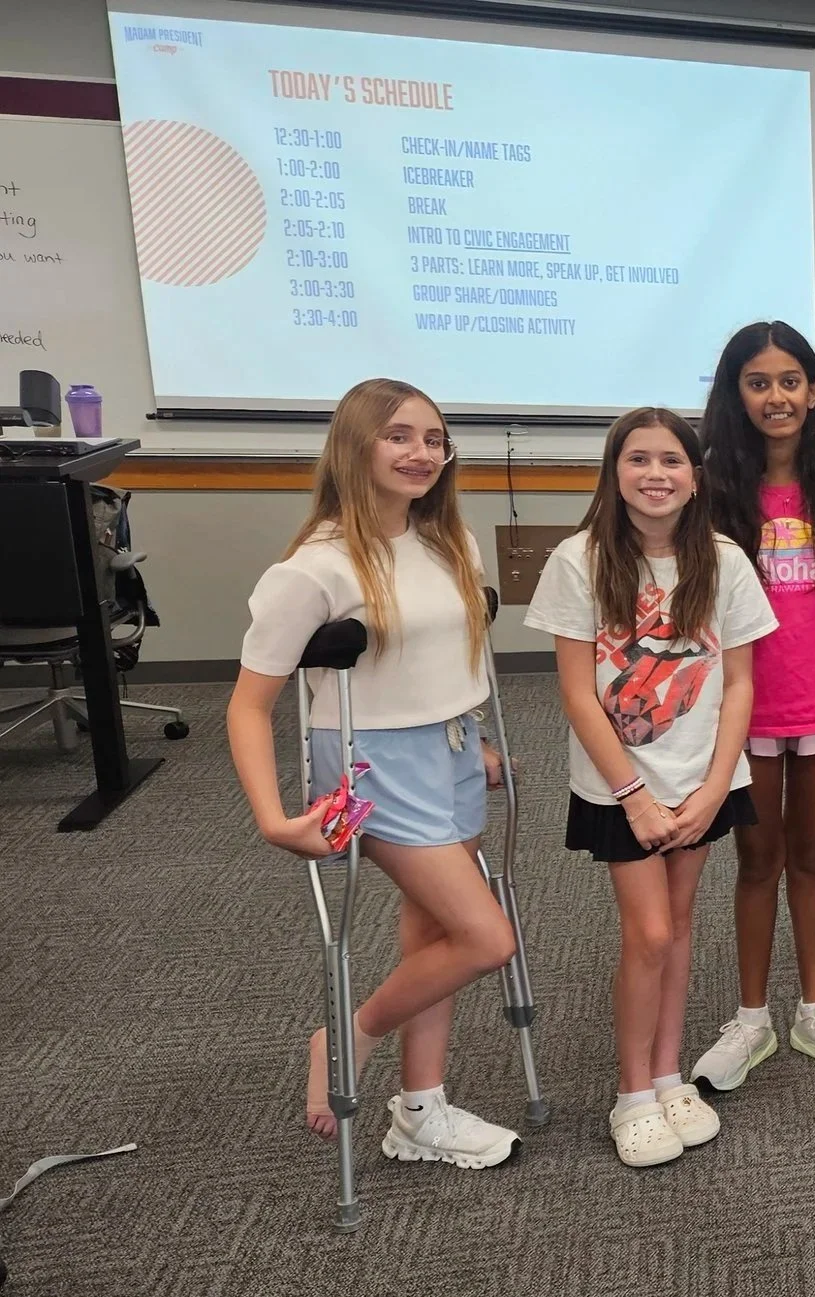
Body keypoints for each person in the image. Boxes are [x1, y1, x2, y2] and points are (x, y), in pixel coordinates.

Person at [227, 378, 521, 1167]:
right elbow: (248, 707)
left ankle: (422, 1108)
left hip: (451, 748)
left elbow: (440, 657)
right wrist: (270, 816)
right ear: (356, 445)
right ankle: (348, 1030)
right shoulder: (314, 568)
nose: (421, 452)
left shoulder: (448, 538)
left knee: (435, 927)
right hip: (371, 764)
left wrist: (475, 739)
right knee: (486, 937)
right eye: (399, 435)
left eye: (433, 437)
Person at [526, 408, 775, 1167]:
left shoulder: (724, 559)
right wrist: (634, 793)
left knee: (681, 923)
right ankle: (631, 1091)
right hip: (619, 786)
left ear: (696, 476)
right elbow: (575, 692)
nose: (656, 474)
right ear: (614, 471)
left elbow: (738, 683)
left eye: (672, 459)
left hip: (702, 782)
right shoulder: (579, 558)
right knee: (651, 933)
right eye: (638, 459)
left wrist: (712, 787)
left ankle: (669, 1073)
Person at [690, 321, 815, 1087]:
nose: (776, 395)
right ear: (735, 393)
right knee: (755, 861)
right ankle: (749, 1018)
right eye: (758, 381)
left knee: (811, 855)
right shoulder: (709, 486)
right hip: (743, 710)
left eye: (790, 380)